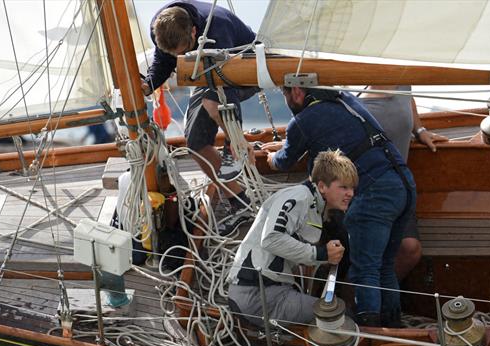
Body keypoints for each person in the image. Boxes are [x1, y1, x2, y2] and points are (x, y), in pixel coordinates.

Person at [265, 87, 416, 327]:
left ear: (296, 91)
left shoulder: (303, 121)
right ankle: (393, 327)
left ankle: (371, 334)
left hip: (373, 192)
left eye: (285, 95)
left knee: (365, 270)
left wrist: (270, 157)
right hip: (403, 182)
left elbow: (285, 161)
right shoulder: (345, 99)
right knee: (384, 266)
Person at [143, 1, 257, 232]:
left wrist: (233, 138)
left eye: (185, 50)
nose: (182, 56)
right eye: (177, 54)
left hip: (245, 67)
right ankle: (240, 202)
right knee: (195, 143)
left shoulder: (218, 28)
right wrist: (147, 85)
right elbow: (162, 64)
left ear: (194, 31)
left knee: (213, 103)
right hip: (205, 76)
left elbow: (227, 85)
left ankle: (236, 150)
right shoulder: (162, 30)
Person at [228, 150, 356, 327]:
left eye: (352, 188)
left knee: (338, 312)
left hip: (271, 291)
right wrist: (320, 254)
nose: (350, 193)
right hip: (257, 295)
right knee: (342, 318)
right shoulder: (298, 197)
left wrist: (323, 257)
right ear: (322, 186)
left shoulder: (314, 206)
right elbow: (271, 238)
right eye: (344, 187)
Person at [360, 85, 447, 281]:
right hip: (365, 192)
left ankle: (379, 295)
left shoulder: (400, 79)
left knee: (410, 249)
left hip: (398, 189)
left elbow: (408, 98)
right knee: (367, 258)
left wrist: (419, 129)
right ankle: (351, 305)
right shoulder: (353, 101)